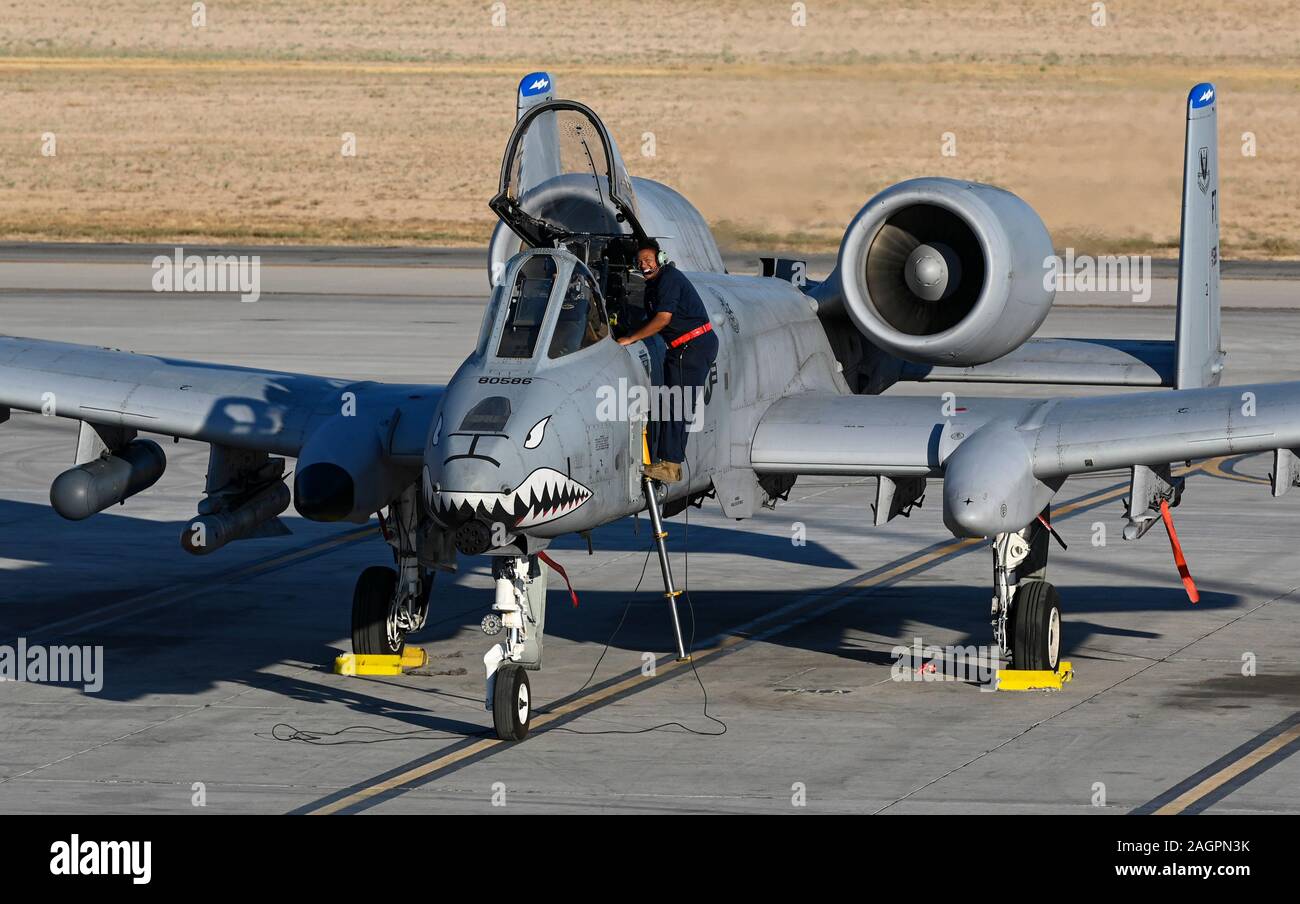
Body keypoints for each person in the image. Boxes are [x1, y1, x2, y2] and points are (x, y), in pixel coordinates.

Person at [617, 239, 719, 482]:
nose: (644, 265)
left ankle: (670, 466)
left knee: (676, 404)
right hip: (682, 347)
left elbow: (663, 319)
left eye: (649, 260)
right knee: (671, 402)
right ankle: (669, 461)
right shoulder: (654, 284)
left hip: (691, 346)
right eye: (640, 262)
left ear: (660, 259)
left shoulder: (669, 280)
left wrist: (630, 338)